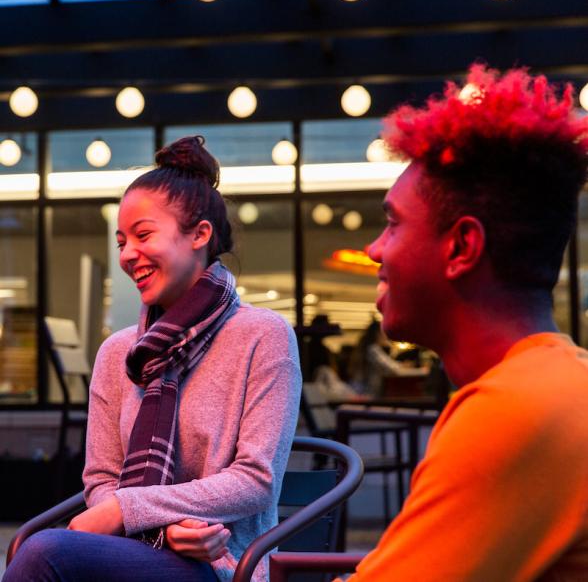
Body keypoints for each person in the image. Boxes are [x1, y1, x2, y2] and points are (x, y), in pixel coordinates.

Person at [4, 136, 302, 582]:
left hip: (222, 565)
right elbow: (101, 479)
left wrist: (128, 509)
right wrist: (163, 527)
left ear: (200, 235)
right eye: (122, 241)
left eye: (143, 235)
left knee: (45, 553)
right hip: (135, 550)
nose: (127, 255)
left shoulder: (264, 336)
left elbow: (256, 481)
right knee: (40, 551)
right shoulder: (118, 354)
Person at [343, 65, 588, 580]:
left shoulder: (510, 412)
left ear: (461, 247)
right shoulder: (566, 381)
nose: (374, 250)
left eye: (392, 224)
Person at [349, 319, 428, 397]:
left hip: (364, 392)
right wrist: (417, 369)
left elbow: (390, 366)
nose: (386, 336)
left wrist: (401, 366)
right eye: (384, 333)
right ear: (378, 334)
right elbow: (392, 369)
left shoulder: (370, 348)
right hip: (366, 394)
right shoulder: (373, 349)